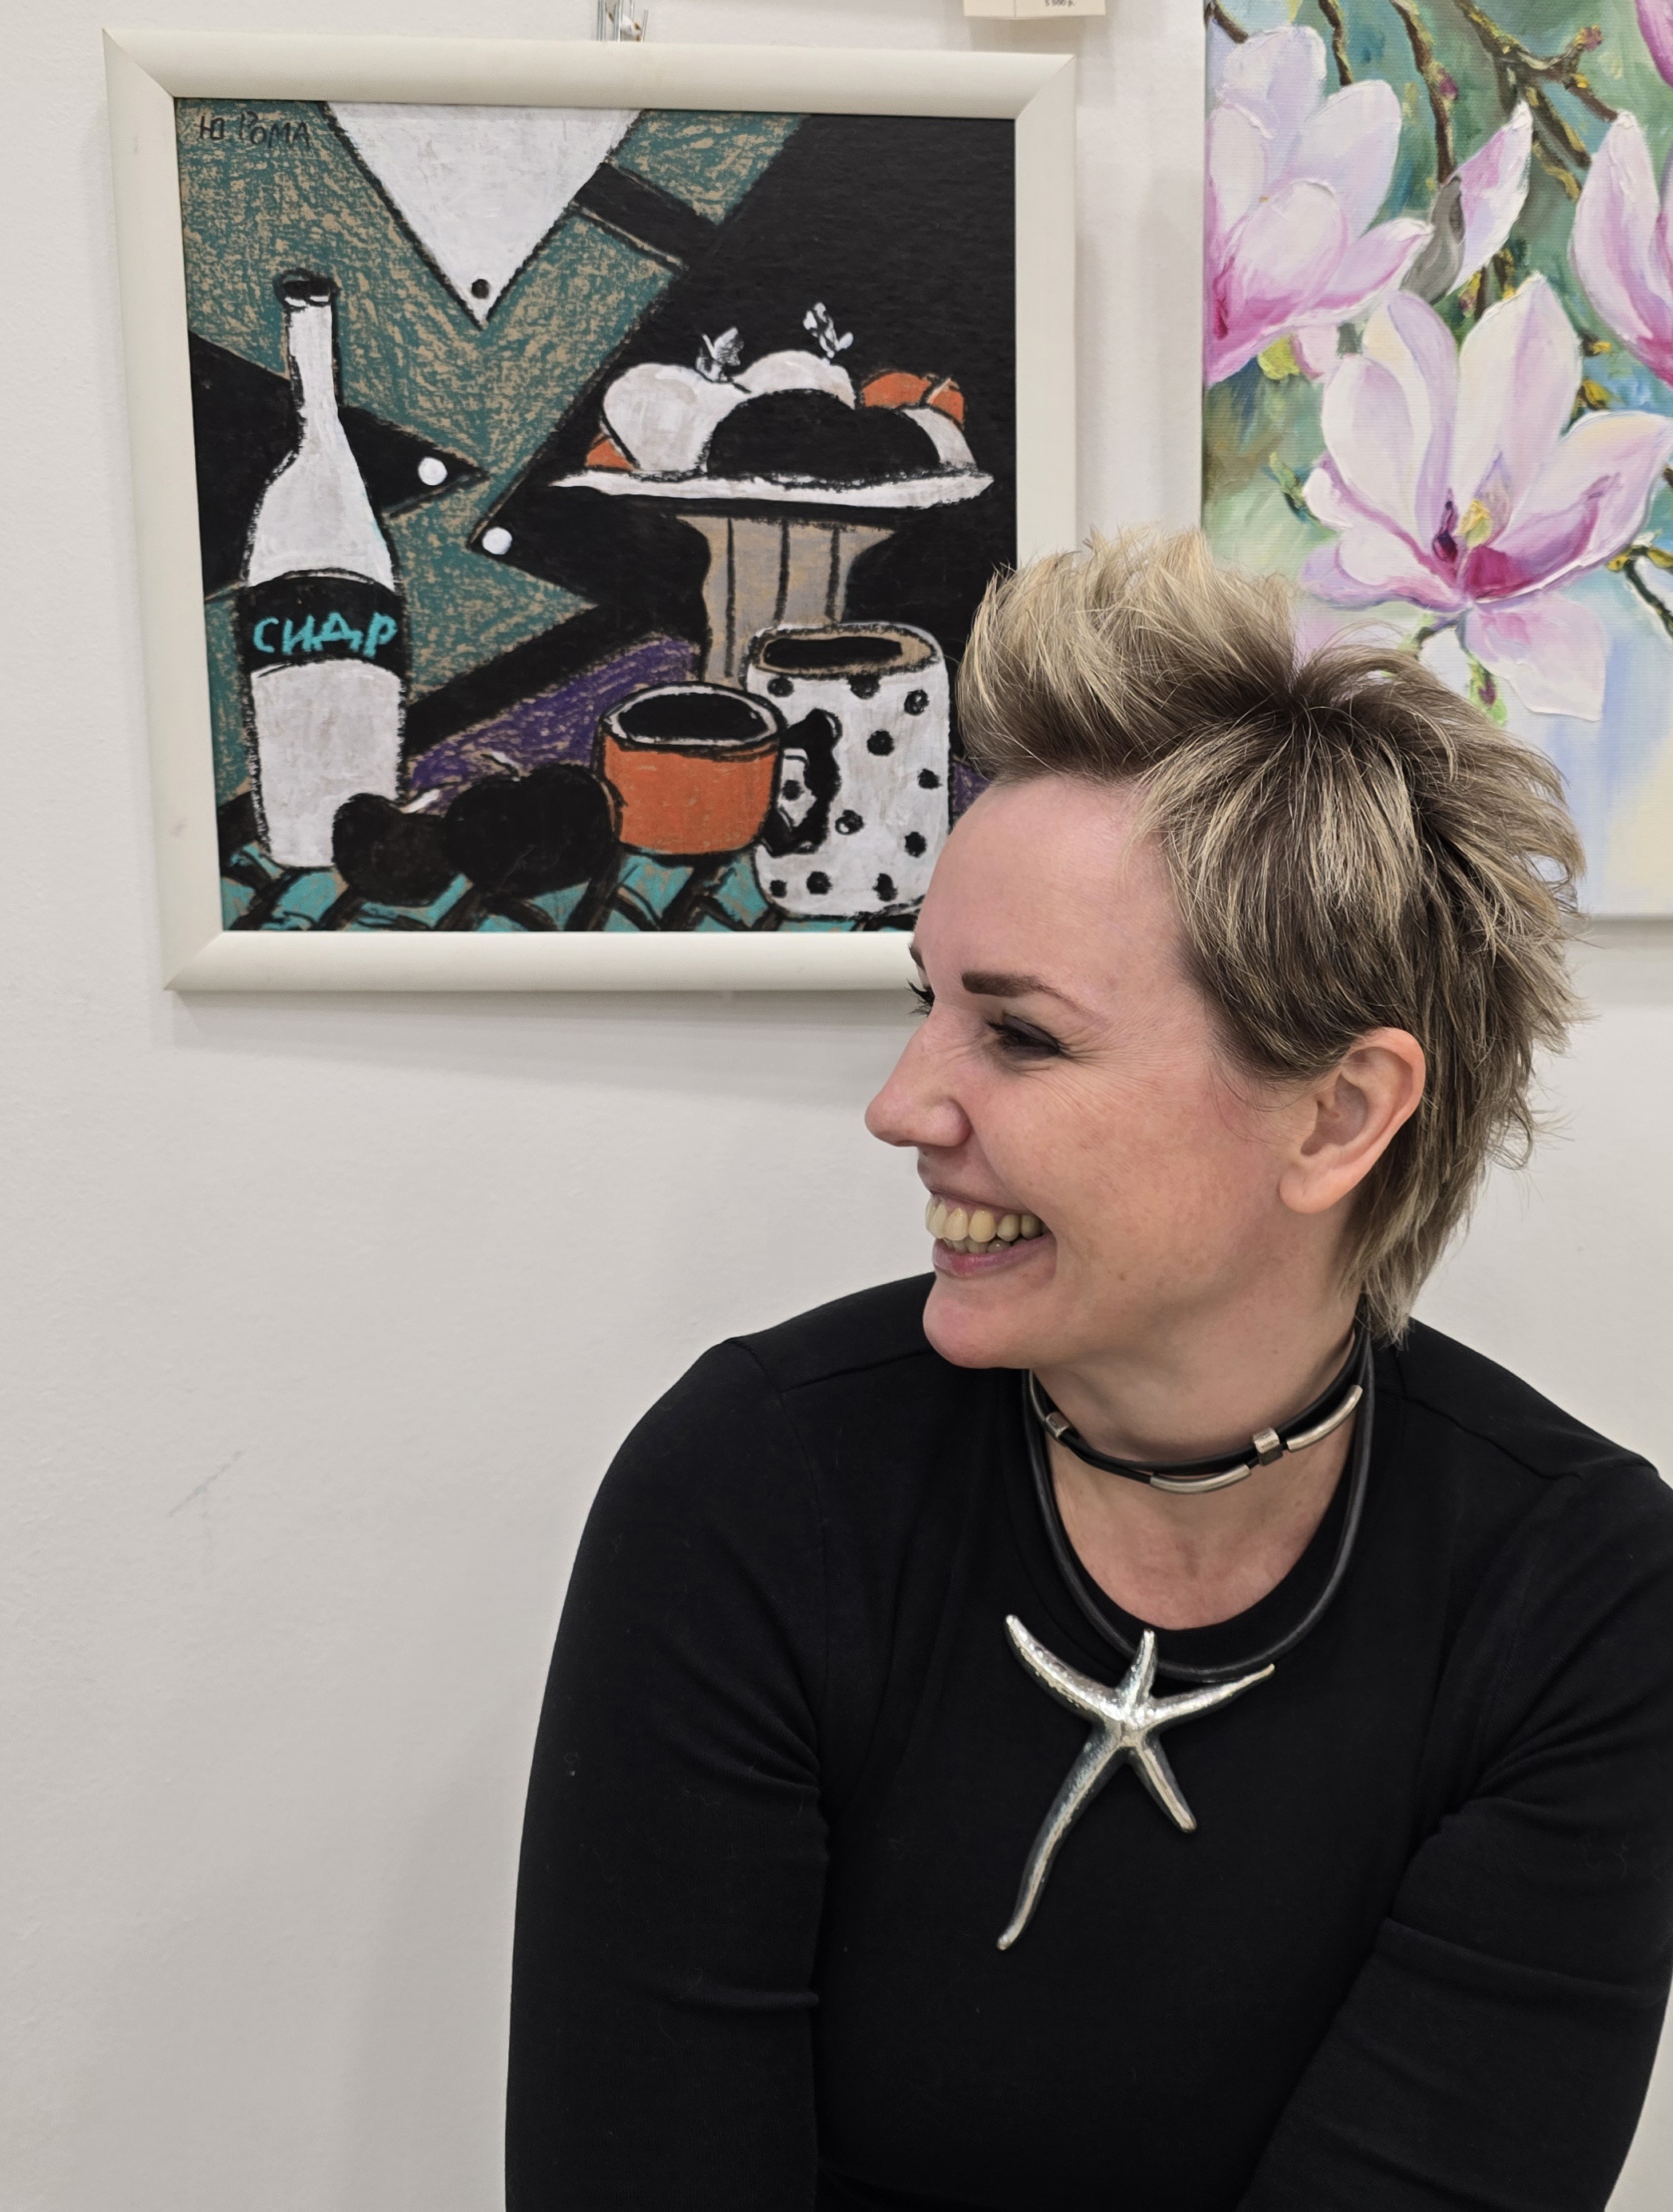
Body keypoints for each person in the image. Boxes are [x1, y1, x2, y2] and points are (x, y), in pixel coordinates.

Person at [506, 531, 1673, 2210]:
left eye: (1020, 1032)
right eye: (926, 1003)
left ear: (1337, 1116)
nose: (902, 1105)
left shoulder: (1579, 1598)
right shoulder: (755, 1492)